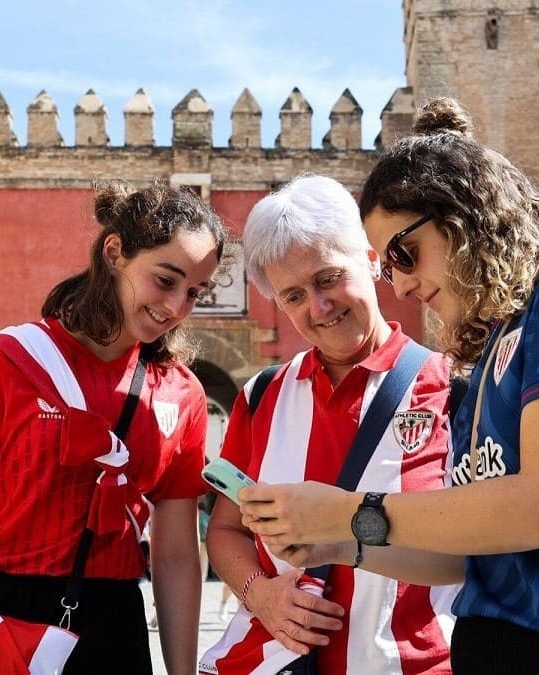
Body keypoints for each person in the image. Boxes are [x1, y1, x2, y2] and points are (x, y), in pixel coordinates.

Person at [240, 98, 539, 673]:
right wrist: (339, 546)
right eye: (388, 263)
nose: (399, 281)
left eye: (403, 252)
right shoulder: (499, 342)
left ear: (462, 215)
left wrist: (347, 512)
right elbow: (467, 556)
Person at [0, 182, 227, 675]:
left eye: (194, 292)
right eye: (165, 279)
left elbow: (175, 555)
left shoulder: (183, 393)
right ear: (114, 253)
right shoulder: (1, 364)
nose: (177, 307)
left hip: (113, 631)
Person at [202, 175, 458, 674]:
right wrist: (261, 594)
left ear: (370, 257)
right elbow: (226, 529)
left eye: (327, 279)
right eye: (293, 296)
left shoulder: (453, 389)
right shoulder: (261, 397)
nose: (318, 308)